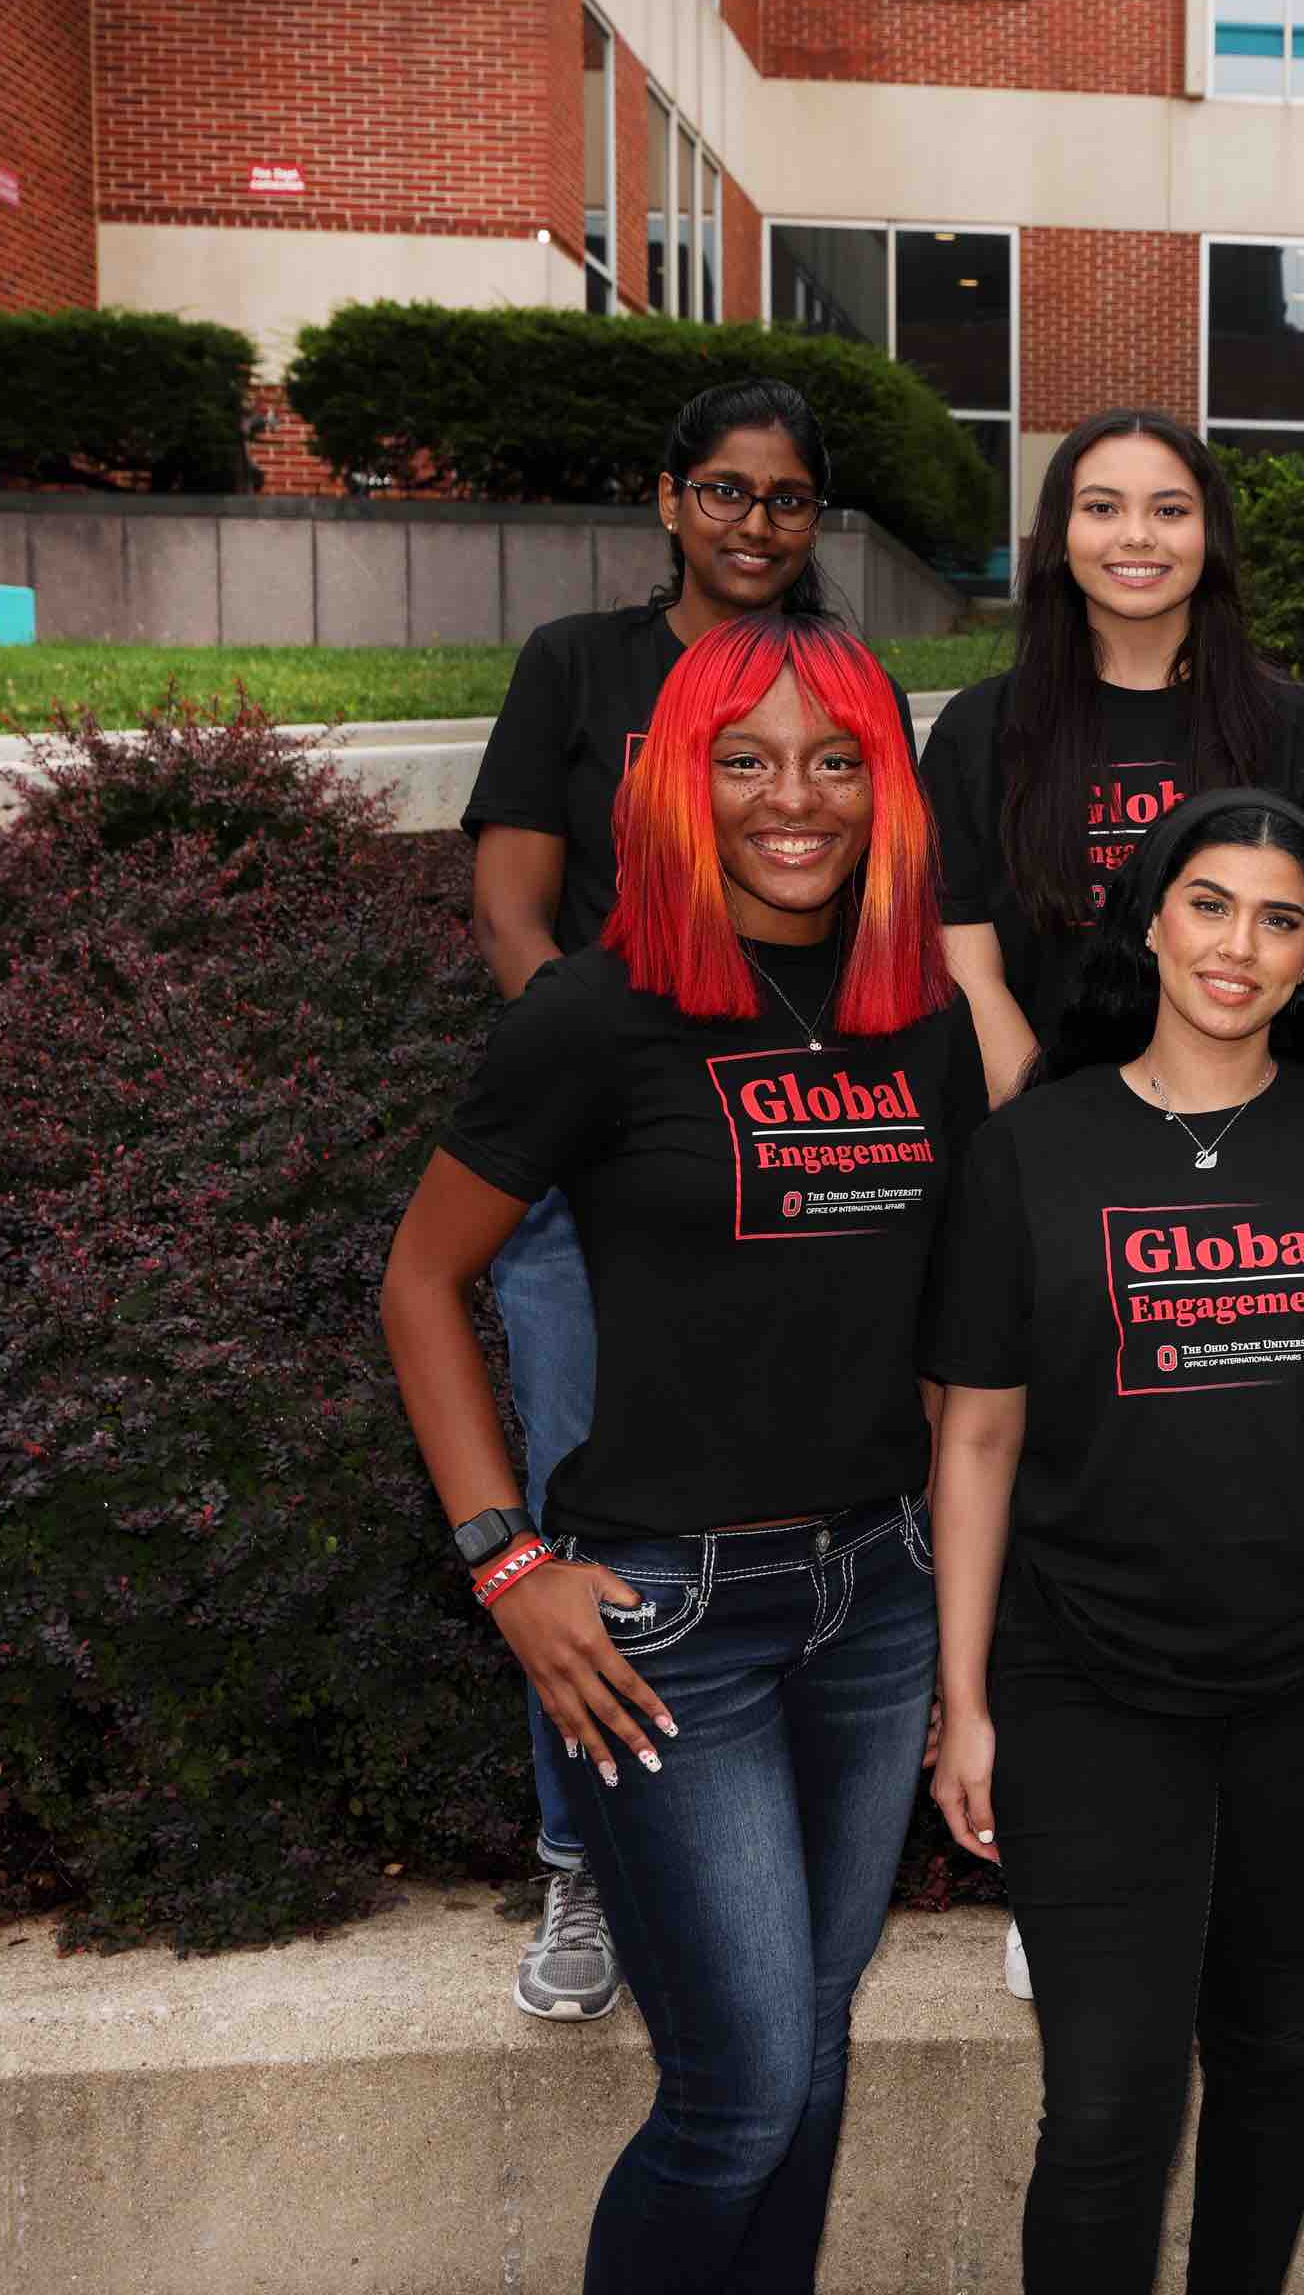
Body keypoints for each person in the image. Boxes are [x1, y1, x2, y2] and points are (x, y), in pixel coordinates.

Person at [381, 612, 982, 2294]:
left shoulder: (924, 1024)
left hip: (873, 1599)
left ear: (887, 792)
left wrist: (958, 1602)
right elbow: (423, 1279)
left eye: (836, 760)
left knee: (815, 2052)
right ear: (677, 788)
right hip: (663, 1625)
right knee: (736, 2095)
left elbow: (947, 1348)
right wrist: (506, 1561)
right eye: (747, 760)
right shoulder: (596, 1016)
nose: (794, 798)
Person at [921, 787, 1304, 2294]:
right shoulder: (1031, 1151)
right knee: (1107, 2106)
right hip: (1087, 1684)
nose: (1241, 945)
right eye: (1212, 904)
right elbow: (975, 1436)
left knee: (1272, 2060)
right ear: (1151, 920)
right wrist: (963, 1699)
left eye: (1281, 920)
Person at [453, 375, 846, 2024]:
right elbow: (510, 900)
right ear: (669, 498)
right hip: (598, 1165)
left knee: (804, 1496)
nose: (756, 522)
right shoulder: (581, 667)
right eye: (728, 491)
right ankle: (581, 1861)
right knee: (579, 1491)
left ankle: (786, 1847)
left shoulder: (838, 678)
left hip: (798, 1156)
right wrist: (606, 1071)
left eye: (787, 498)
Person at [921, 408, 1304, 1109]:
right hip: (1040, 1129)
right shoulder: (978, 731)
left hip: (1258, 1137)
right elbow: (967, 966)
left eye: (1169, 509)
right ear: (1059, 535)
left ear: (1208, 534)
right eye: (1102, 507)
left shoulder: (1302, 730)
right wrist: (1055, 1125)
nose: (1137, 535)